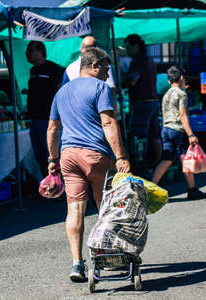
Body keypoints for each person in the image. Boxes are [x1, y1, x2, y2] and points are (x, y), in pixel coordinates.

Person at [47, 47, 130, 282]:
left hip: (68, 157)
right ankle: (107, 256)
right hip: (96, 156)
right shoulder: (101, 88)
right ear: (93, 66)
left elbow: (53, 129)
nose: (107, 73)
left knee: (74, 210)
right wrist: (121, 156)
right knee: (107, 208)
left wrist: (52, 159)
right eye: (105, 68)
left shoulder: (61, 92)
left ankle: (77, 263)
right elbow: (108, 122)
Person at [151, 66, 206, 200]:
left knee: (166, 159)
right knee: (186, 159)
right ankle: (192, 190)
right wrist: (190, 134)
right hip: (177, 130)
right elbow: (183, 115)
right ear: (182, 78)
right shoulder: (181, 94)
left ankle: (150, 188)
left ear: (169, 80)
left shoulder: (166, 94)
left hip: (166, 129)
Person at [25, 41, 65, 174]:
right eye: (28, 50)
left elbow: (62, 94)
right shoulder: (33, 71)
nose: (28, 53)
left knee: (53, 157)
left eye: (31, 50)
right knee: (40, 157)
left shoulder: (55, 70)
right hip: (35, 120)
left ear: (40, 51)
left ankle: (61, 191)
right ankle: (48, 188)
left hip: (49, 121)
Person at [122, 34, 161, 162]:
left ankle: (141, 165)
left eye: (128, 48)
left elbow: (133, 80)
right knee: (155, 135)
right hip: (154, 102)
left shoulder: (138, 61)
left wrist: (122, 83)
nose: (127, 51)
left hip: (142, 103)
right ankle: (157, 164)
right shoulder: (150, 60)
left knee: (138, 136)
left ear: (136, 46)